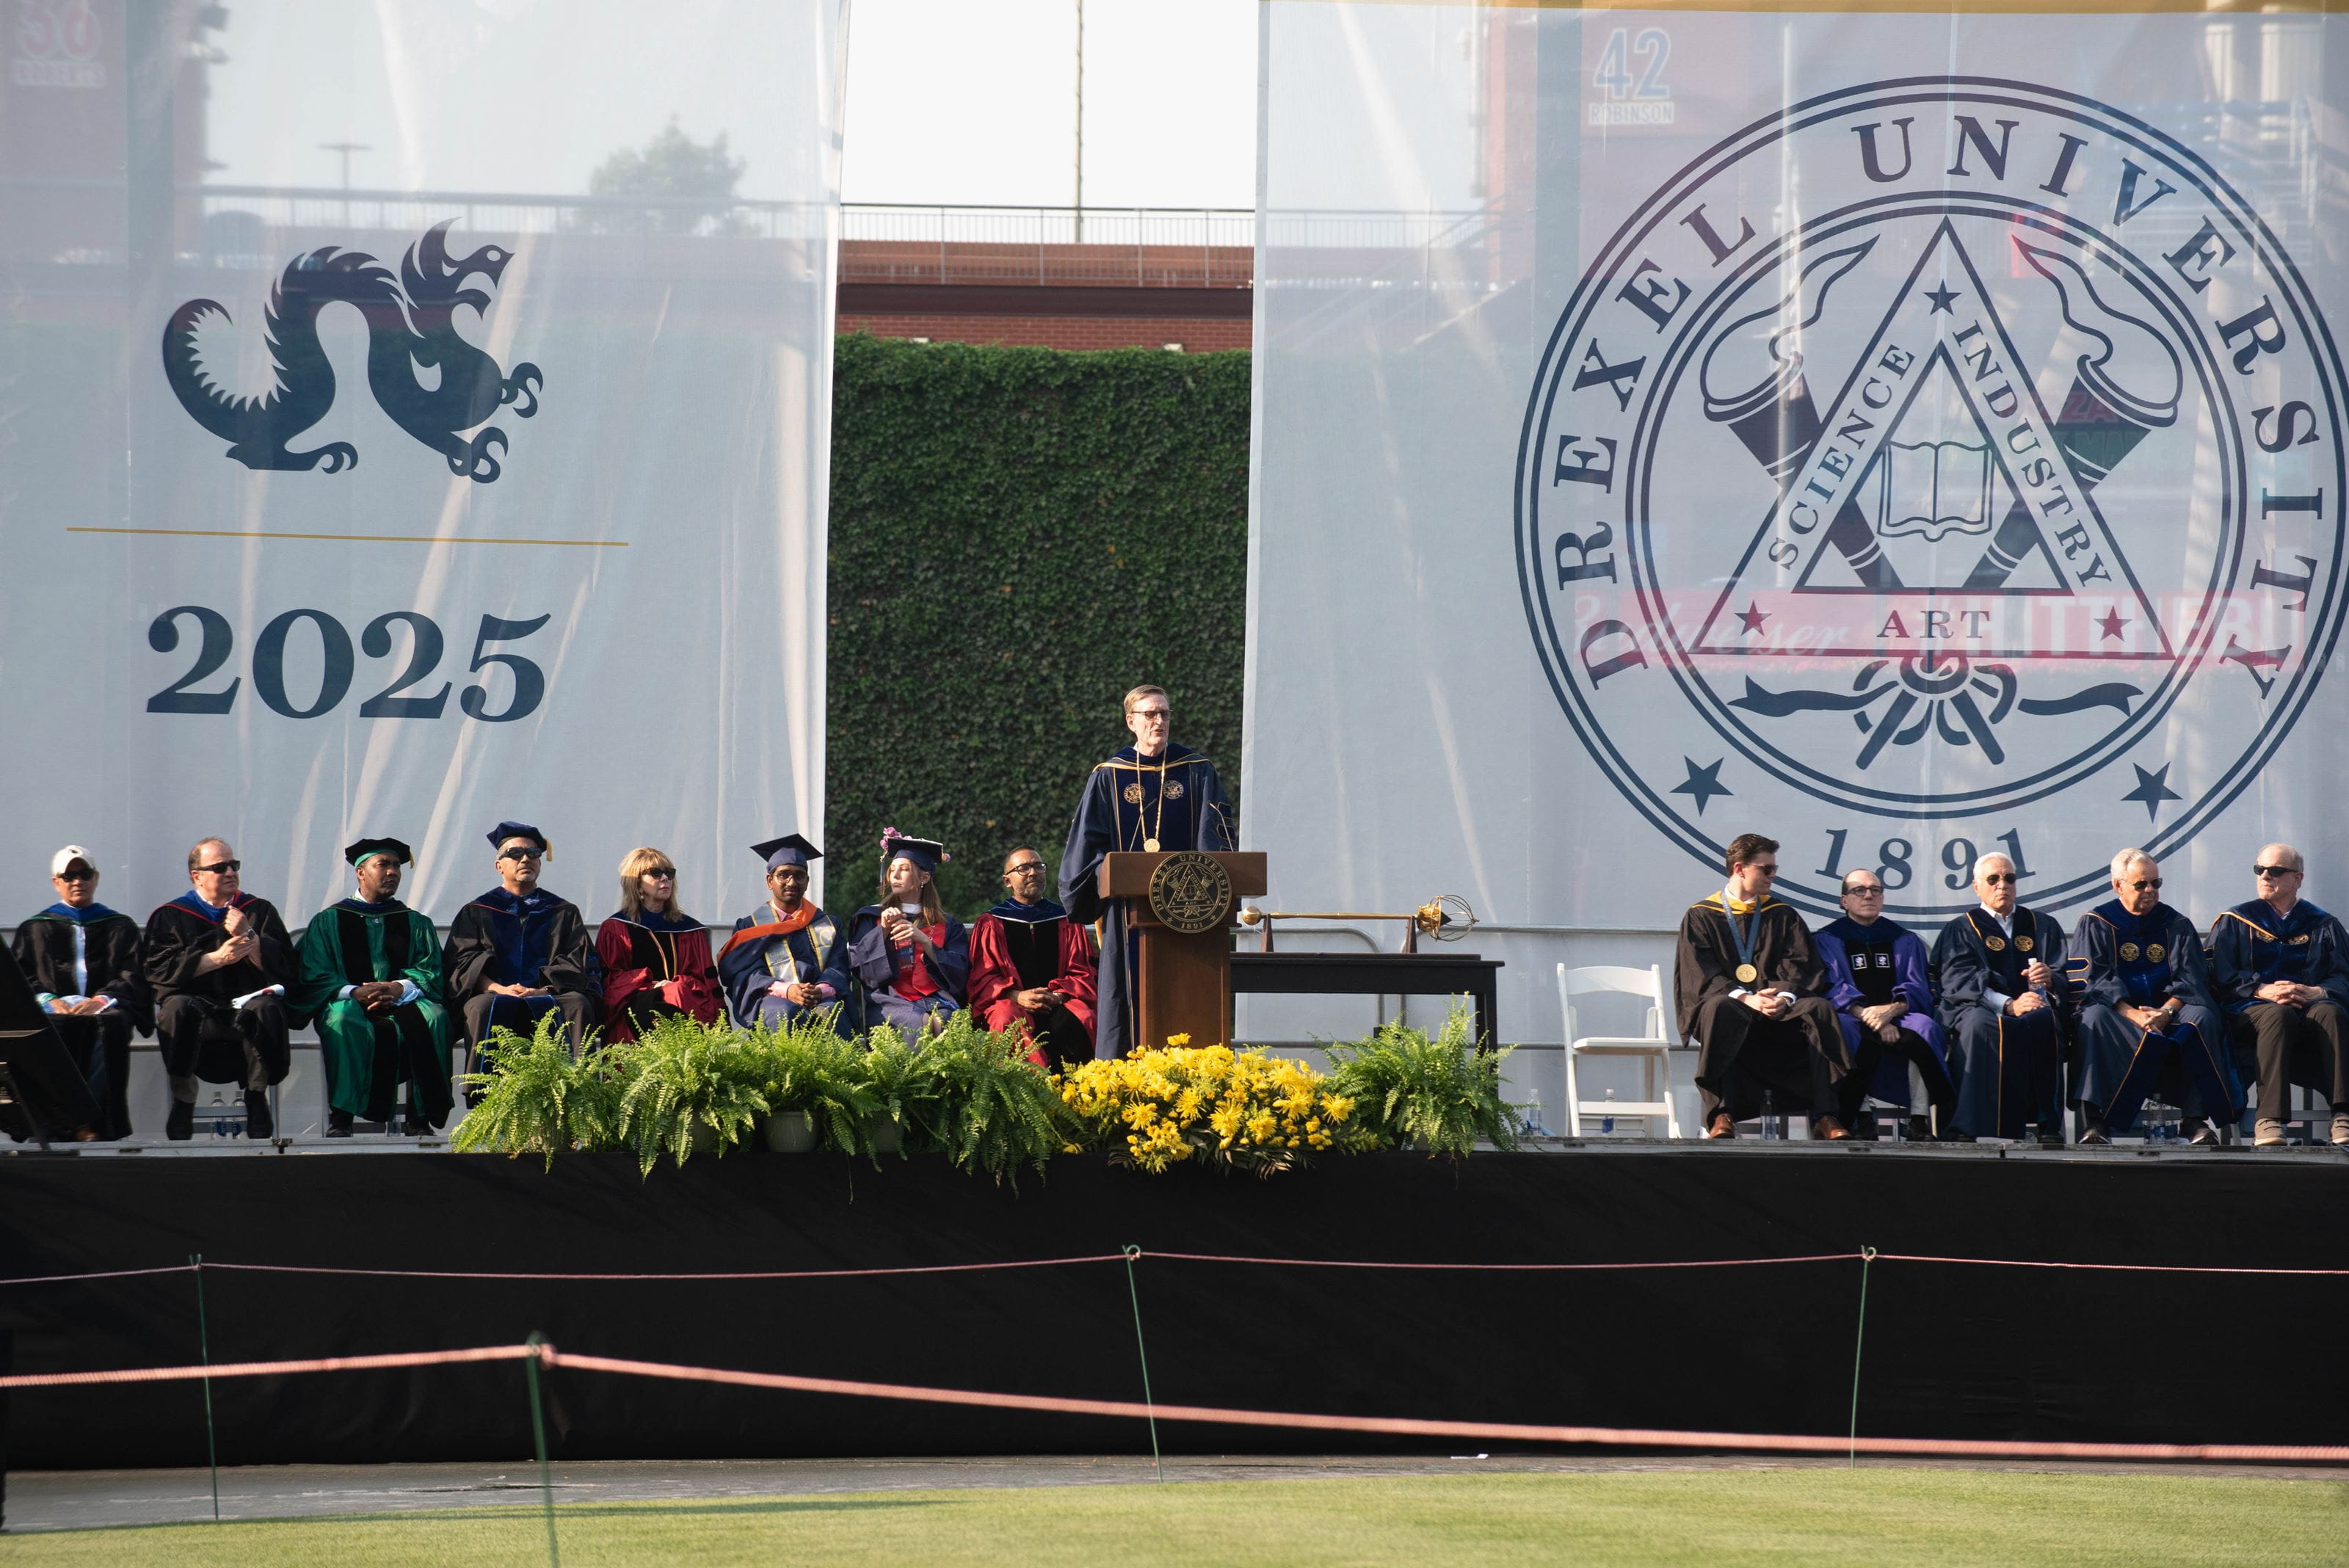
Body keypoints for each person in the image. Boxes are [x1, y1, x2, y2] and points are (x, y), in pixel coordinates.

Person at [1059, 684, 1235, 1058]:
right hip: (1127, 915)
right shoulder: (1109, 775)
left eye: (1165, 713)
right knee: (1127, 999)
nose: (1159, 721)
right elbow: (1087, 843)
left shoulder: (1197, 771)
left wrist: (1213, 895)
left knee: (1187, 995)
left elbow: (1215, 839)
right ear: (1131, 722)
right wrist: (1103, 876)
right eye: (1150, 714)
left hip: (1189, 914)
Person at [1673, 832, 1851, 1139]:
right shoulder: (1701, 916)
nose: (1773, 875)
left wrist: (1783, 996)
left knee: (1819, 1009)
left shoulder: (1782, 914)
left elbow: (1799, 962)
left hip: (1777, 1007)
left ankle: (1825, 1116)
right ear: (1740, 869)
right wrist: (1745, 998)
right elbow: (1700, 972)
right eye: (1766, 869)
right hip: (1732, 1003)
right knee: (1720, 1008)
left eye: (1774, 869)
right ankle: (1722, 1115)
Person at [2067, 847, 2238, 1144]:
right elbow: (2094, 980)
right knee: (2092, 1018)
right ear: (2118, 885)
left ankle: (2194, 1119)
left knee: (2202, 1018)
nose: (2150, 890)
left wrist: (2166, 1012)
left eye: (2155, 884)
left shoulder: (2176, 924)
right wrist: (2134, 1014)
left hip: (2168, 1013)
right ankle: (2096, 1122)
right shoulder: (2096, 923)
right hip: (2120, 1016)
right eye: (2141, 884)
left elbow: (2191, 978)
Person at [291, 838, 454, 1137]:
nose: (392, 872)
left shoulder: (415, 922)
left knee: (436, 1017)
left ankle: (420, 1119)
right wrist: (355, 992)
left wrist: (397, 988)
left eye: (396, 866)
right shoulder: (328, 921)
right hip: (350, 1002)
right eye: (383, 865)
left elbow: (430, 971)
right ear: (361, 872)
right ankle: (341, 1119)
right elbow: (314, 973)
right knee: (342, 1018)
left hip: (405, 1002)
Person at [143, 838, 296, 1141]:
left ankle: (256, 1098)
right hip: (199, 1011)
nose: (230, 872)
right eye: (219, 867)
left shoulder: (257, 911)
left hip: (245, 1007)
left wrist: (248, 934)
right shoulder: (171, 915)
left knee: (267, 1008)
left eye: (233, 865)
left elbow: (286, 969)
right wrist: (215, 959)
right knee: (176, 1008)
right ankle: (184, 1101)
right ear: (196, 875)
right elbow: (158, 972)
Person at [2208, 844, 2349, 1147]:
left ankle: (2343, 1113)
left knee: (2331, 1012)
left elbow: (2342, 975)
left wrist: (2318, 991)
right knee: (2277, 1014)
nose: (2265, 876)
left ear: (2298, 879)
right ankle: (2270, 1119)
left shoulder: (2322, 924)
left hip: (2308, 1007)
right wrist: (2262, 990)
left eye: (2275, 871)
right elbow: (2220, 976)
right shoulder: (2236, 920)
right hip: (2249, 1010)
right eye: (2260, 870)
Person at [10, 846, 148, 1140]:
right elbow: (20, 979)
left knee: (110, 1024)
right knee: (42, 1031)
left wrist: (101, 999)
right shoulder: (34, 928)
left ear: (96, 878)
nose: (77, 881)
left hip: (103, 1008)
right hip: (50, 1012)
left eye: (84, 874)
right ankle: (54, 1123)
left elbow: (132, 974)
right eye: (68, 875)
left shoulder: (120, 927)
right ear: (55, 882)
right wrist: (49, 1000)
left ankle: (89, 1122)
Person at [1931, 852, 2069, 1145]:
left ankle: (2049, 1124)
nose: (2002, 885)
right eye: (1993, 879)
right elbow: (1959, 982)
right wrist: (2008, 1004)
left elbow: (2063, 977)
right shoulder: (1962, 928)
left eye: (2009, 878)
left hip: (2033, 1006)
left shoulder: (2042, 925)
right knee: (1979, 1026)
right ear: (1976, 886)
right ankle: (1965, 1126)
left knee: (2044, 1021)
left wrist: (2050, 980)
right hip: (1979, 1007)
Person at [1814, 869, 1954, 1140]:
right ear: (1844, 901)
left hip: (1898, 1014)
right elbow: (1831, 986)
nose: (1868, 895)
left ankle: (1919, 1119)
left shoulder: (1903, 939)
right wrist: (1867, 1015)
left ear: (1882, 898)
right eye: (1859, 890)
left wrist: (1891, 1012)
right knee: (1842, 1028)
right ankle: (1861, 1117)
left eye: (1875, 890)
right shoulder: (1827, 940)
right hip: (1853, 1015)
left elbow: (1918, 986)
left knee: (1926, 1027)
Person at [443, 821, 598, 1067]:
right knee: (481, 1008)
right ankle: (486, 1094)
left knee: (577, 1004)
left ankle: (577, 1093)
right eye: (515, 854)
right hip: (495, 994)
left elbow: (577, 963)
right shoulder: (477, 912)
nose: (526, 859)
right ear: (499, 866)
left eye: (534, 854)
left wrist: (542, 991)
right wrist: (499, 988)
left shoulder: (563, 912)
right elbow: (462, 964)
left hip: (549, 994)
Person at [969, 847, 1099, 1068]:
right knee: (1002, 1018)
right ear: (1007, 880)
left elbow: (1082, 971)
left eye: (1039, 866)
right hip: (1012, 1001)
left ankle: (1086, 1091)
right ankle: (1023, 1091)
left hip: (1058, 1000)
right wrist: (1016, 996)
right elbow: (983, 977)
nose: (1033, 872)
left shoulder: (1065, 920)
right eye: (1023, 868)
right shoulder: (991, 922)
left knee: (1084, 1017)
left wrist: (1057, 996)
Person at [717, 835, 849, 1033]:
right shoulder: (750, 928)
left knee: (830, 1012)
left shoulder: (828, 925)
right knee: (785, 1011)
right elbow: (746, 975)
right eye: (784, 875)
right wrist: (787, 990)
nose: (792, 882)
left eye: (799, 875)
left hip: (820, 997)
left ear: (807, 881)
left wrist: (819, 990)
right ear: (770, 881)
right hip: (773, 1000)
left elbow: (838, 968)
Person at [846, 831, 969, 1039]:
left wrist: (924, 941)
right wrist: (883, 930)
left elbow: (960, 973)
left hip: (935, 999)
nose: (894, 875)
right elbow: (862, 970)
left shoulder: (948, 925)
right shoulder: (871, 917)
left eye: (903, 869)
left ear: (924, 877)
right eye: (892, 869)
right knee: (920, 1023)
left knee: (947, 1021)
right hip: (889, 1001)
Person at [596, 847, 722, 1041]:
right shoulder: (616, 929)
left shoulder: (689, 929)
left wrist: (676, 985)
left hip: (684, 1003)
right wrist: (651, 983)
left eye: (669, 873)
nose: (665, 878)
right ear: (637, 884)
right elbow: (610, 980)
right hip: (634, 1007)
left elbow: (705, 981)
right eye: (656, 873)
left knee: (676, 992)